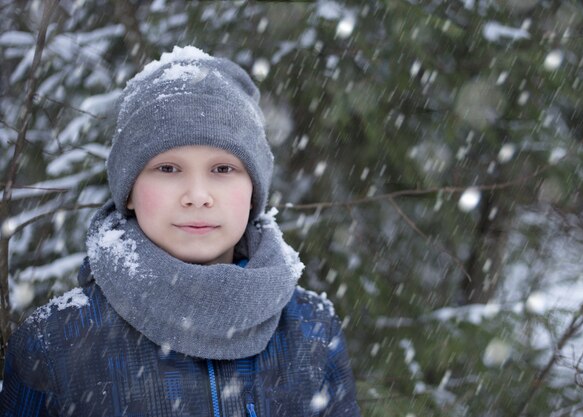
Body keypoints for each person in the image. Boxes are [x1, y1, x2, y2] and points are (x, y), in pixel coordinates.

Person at [0, 45, 360, 417]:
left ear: (254, 190)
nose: (198, 196)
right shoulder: (56, 342)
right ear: (129, 192)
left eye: (222, 169)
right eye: (168, 169)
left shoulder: (311, 327)